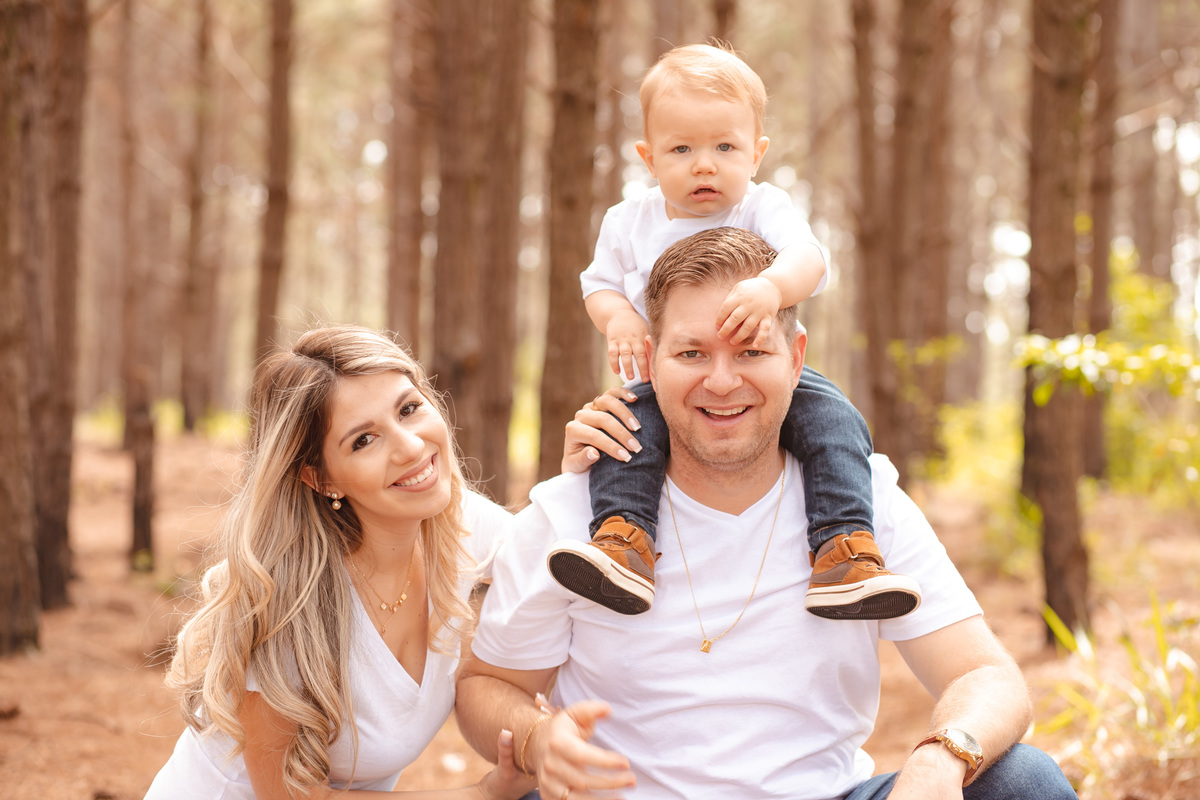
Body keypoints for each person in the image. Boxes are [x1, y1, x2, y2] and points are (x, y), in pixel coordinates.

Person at [456, 228, 1078, 800]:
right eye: (692, 354)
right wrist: (540, 742)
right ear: (650, 359)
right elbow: (487, 687)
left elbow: (987, 676)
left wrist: (943, 756)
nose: (722, 382)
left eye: (750, 351)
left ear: (796, 356)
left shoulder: (862, 501)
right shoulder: (573, 510)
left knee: (1025, 782)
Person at [144, 325, 630, 800]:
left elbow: (544, 558)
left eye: (409, 409)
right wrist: (482, 793)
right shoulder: (285, 605)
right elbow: (293, 796)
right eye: (363, 440)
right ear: (320, 478)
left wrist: (577, 474)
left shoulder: (462, 529)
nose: (411, 446)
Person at [546, 42, 920, 621]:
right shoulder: (629, 222)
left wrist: (772, 287)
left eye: (725, 146)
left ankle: (845, 547)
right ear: (648, 158)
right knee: (627, 433)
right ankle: (624, 542)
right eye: (682, 148)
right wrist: (620, 317)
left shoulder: (761, 207)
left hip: (765, 372)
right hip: (667, 377)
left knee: (835, 422)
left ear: (756, 153)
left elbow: (810, 258)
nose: (705, 164)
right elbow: (597, 284)